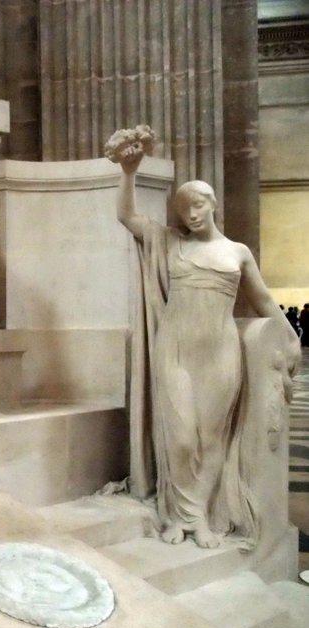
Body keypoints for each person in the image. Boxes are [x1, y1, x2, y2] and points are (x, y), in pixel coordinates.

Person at [116, 140, 300, 549]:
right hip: (175, 351)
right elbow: (127, 217)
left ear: (212, 203)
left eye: (197, 205)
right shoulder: (171, 243)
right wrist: (128, 173)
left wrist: (290, 337)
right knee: (181, 438)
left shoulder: (237, 252)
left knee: (212, 437)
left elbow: (264, 300)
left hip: (221, 353)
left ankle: (196, 516)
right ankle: (179, 514)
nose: (192, 215)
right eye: (184, 210)